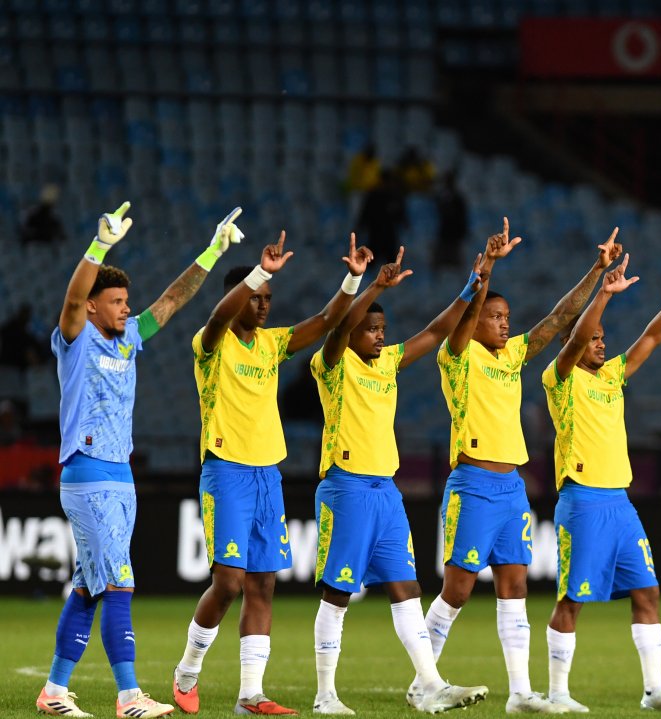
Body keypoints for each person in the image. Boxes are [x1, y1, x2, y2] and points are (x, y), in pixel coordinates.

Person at [38, 202, 241, 719]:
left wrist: (213, 251)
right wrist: (99, 247)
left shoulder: (129, 337)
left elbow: (172, 299)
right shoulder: (76, 338)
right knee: (119, 583)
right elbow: (72, 298)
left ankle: (54, 690)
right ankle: (129, 696)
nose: (127, 309)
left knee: (88, 587)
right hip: (88, 473)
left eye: (127, 301)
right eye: (116, 301)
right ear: (92, 307)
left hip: (120, 475)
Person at [417, 220, 620, 714]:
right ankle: (424, 683)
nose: (505, 324)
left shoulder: (513, 356)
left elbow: (559, 317)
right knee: (458, 590)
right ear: (476, 322)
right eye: (495, 316)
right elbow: (465, 316)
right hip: (472, 484)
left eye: (507, 316)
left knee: (515, 588)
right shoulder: (457, 355)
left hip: (511, 487)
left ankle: (520, 693)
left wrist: (597, 271)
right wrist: (486, 268)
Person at [172, 230, 374, 716]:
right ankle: (187, 672)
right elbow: (217, 316)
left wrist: (353, 280)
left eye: (267, 298)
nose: (264, 305)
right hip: (226, 473)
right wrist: (260, 270)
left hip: (268, 476)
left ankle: (250, 695)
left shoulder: (272, 343)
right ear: (236, 297)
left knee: (262, 585)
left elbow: (326, 321)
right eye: (256, 297)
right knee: (228, 583)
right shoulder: (211, 343)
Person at [309, 246, 499, 714]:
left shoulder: (389, 362)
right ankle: (325, 695)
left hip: (386, 493)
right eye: (370, 329)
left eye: (382, 329)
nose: (379, 336)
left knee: (406, 588)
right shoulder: (332, 364)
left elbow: (435, 332)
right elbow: (336, 330)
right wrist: (373, 284)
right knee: (339, 593)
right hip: (347, 487)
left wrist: (470, 288)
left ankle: (430, 684)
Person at [540, 253, 661, 712]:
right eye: (593, 338)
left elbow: (653, 336)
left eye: (603, 338)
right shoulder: (560, 377)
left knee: (647, 591)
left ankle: (654, 691)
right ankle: (557, 693)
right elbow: (575, 337)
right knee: (572, 599)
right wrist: (604, 295)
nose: (600, 344)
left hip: (620, 503)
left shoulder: (612, 376)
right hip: (582, 500)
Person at [433, 171, 468, 269]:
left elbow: (462, 216)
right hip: (444, 233)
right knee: (440, 262)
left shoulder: (458, 198)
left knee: (456, 262)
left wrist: (462, 232)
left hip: (455, 234)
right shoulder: (441, 197)